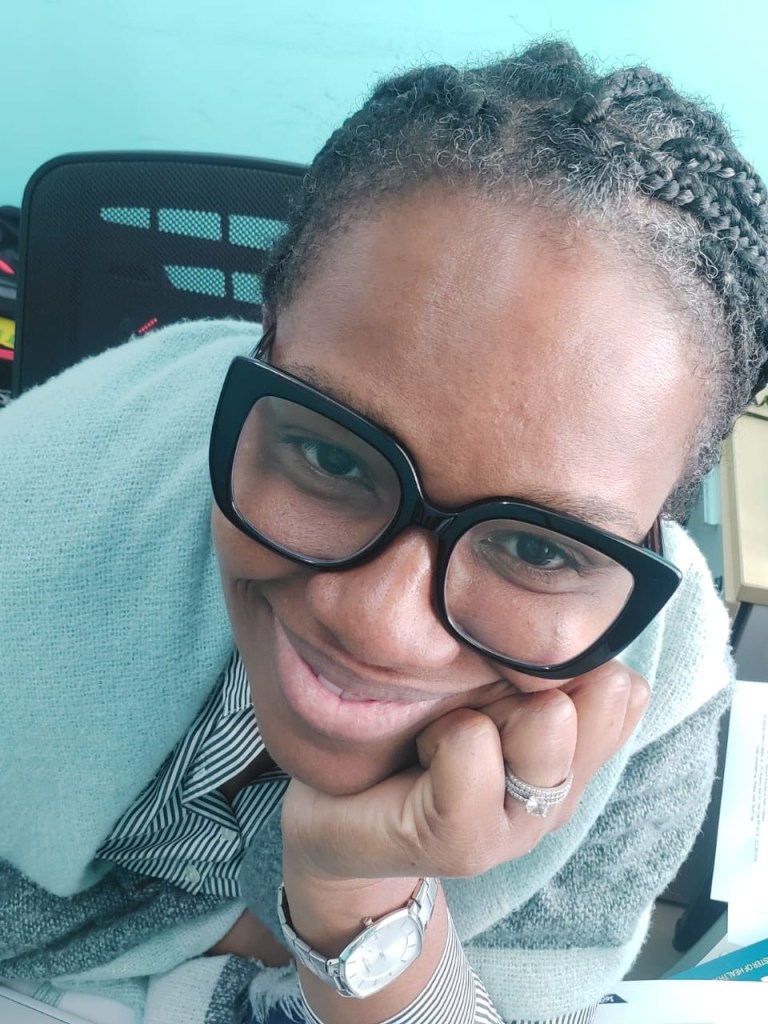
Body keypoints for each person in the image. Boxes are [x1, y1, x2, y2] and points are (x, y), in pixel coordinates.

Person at [2, 37, 767, 1024]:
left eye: (539, 548)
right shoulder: (44, 494)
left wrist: (356, 890)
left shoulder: (663, 716)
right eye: (332, 458)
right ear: (264, 340)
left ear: (660, 523)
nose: (379, 623)